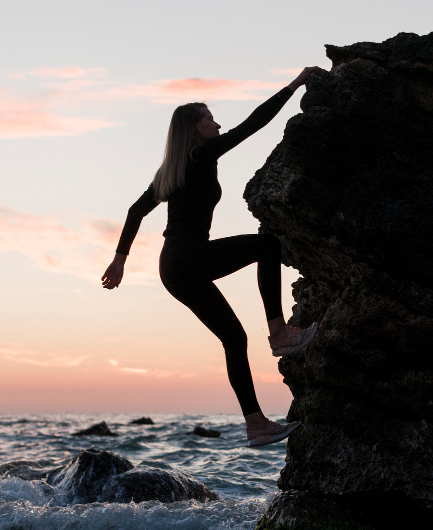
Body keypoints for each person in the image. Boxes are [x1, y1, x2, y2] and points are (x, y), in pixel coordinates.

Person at [101, 66, 322, 448]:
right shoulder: (200, 157)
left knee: (234, 339)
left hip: (174, 268)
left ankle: (256, 426)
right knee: (267, 245)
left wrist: (120, 260)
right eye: (211, 120)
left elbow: (136, 210)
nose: (218, 126)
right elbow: (252, 125)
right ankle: (281, 333)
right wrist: (294, 84)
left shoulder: (172, 169)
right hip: (188, 258)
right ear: (195, 129)